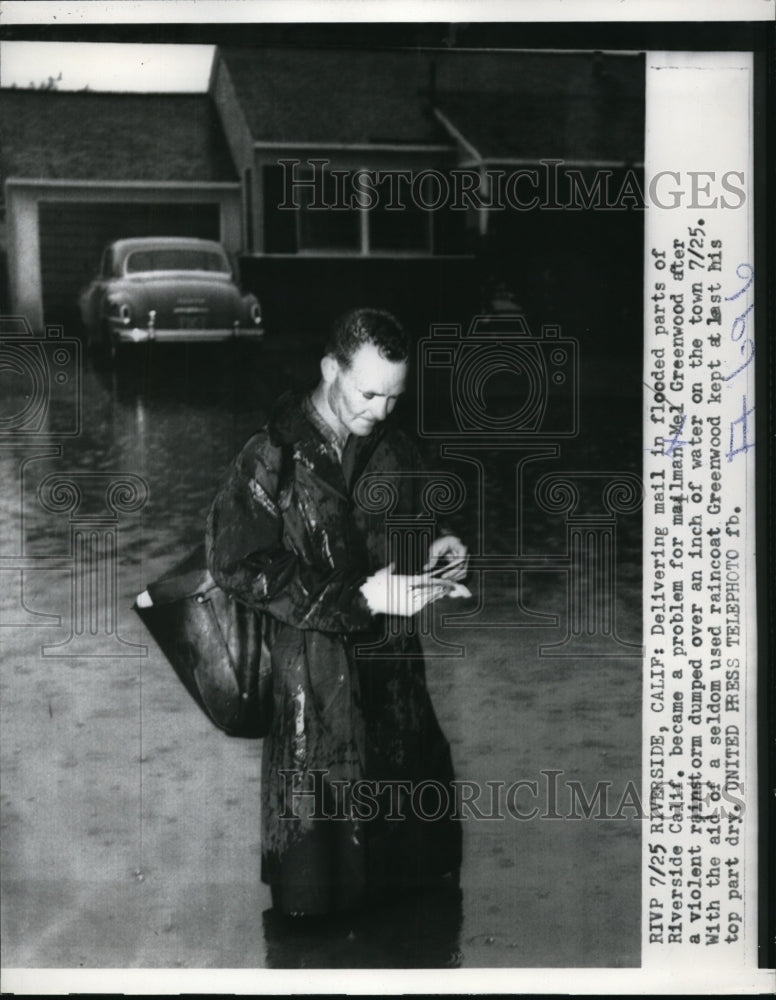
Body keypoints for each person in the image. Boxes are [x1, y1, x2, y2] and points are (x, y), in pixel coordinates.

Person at [206, 307, 468, 916]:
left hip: (397, 690)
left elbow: (411, 519)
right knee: (314, 900)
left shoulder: (395, 446)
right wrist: (360, 597)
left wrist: (436, 545)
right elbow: (237, 563)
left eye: (394, 396)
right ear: (331, 369)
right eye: (368, 391)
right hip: (312, 695)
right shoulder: (269, 457)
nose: (379, 410)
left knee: (417, 896)